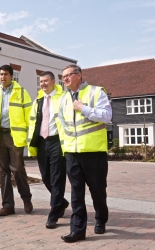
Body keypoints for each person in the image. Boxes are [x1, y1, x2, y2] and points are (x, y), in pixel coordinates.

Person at [58, 65, 112, 242]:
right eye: (63, 76)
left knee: (97, 190)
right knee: (76, 193)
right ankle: (78, 230)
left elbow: (107, 116)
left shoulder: (96, 92)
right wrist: (64, 149)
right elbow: (63, 126)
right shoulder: (64, 99)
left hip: (93, 152)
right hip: (72, 153)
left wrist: (84, 108)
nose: (65, 79)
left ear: (79, 75)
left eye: (69, 75)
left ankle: (101, 219)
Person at [0, 64, 33, 216]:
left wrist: (30, 137)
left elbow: (30, 116)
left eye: (5, 75)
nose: (2, 77)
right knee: (3, 172)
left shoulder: (22, 93)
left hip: (14, 136)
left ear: (11, 76)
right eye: (1, 75)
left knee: (18, 169)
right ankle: (8, 205)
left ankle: (26, 199)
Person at [27, 71, 69, 229]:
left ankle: (53, 215)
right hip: (42, 142)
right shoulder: (38, 100)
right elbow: (33, 123)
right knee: (45, 177)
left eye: (45, 81)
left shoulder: (63, 97)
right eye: (41, 81)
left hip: (57, 141)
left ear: (53, 81)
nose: (43, 84)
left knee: (57, 178)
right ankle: (62, 202)